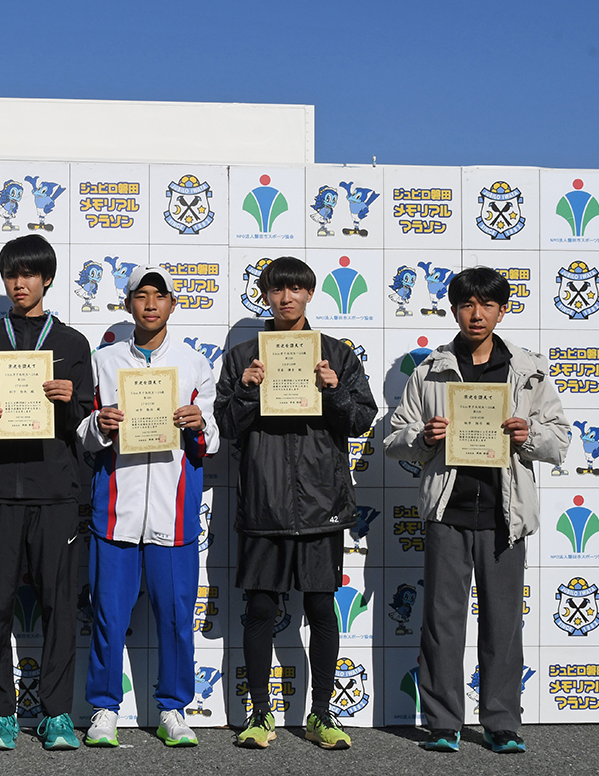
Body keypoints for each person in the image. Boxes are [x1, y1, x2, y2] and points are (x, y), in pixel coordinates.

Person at [383, 266, 568, 754]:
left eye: (487, 304)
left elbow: (559, 440)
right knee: (441, 622)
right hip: (449, 511)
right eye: (467, 304)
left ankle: (501, 723)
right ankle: (443, 724)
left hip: (507, 516)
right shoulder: (430, 371)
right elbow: (395, 439)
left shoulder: (528, 370)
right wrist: (424, 437)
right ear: (454, 310)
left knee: (503, 623)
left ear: (502, 310)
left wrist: (530, 435)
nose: (476, 314)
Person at [213, 256, 376, 750]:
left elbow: (361, 421)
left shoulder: (337, 354)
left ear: (309, 294)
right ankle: (260, 715)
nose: (286, 298)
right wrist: (246, 390)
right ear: (264, 296)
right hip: (264, 503)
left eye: (295, 289)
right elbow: (227, 427)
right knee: (261, 608)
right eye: (277, 290)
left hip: (321, 503)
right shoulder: (243, 356)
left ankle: (321, 714)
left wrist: (334, 391)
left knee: (322, 608)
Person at [0, 234, 93, 751]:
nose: (20, 283)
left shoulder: (73, 344)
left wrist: (71, 401)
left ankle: (56, 714)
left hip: (56, 492)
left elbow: (88, 425)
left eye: (30, 274)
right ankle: (0, 714)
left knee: (60, 607)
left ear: (47, 279)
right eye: (12, 274)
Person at [78, 266, 219, 748]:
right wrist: (100, 424)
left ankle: (173, 708)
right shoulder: (103, 361)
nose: (151, 304)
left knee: (176, 619)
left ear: (173, 304)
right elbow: (84, 434)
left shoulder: (194, 363)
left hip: (173, 514)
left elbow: (213, 440)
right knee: (108, 618)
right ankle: (103, 708)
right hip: (115, 513)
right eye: (142, 295)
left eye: (160, 296)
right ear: (128, 304)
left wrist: (200, 423)